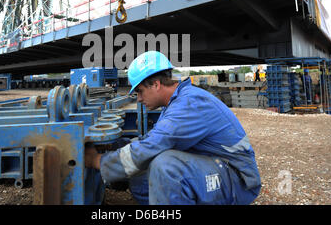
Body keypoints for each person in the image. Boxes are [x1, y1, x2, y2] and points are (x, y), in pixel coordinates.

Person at [85, 51, 261, 205]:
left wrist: (98, 161)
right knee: (140, 178)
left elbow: (152, 145)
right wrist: (116, 148)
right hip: (212, 164)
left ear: (155, 84)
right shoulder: (178, 102)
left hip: (238, 180)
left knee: (165, 167)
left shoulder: (189, 103)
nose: (138, 98)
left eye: (139, 91)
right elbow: (150, 142)